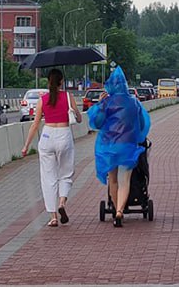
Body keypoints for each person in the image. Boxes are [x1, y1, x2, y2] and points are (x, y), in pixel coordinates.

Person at [87, 66, 151, 228]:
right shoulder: (134, 103)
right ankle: (120, 211)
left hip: (109, 147)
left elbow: (97, 122)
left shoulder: (107, 102)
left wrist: (100, 104)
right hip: (128, 147)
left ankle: (115, 208)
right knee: (125, 180)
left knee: (113, 180)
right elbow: (143, 124)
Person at [21, 68, 81, 228]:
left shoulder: (43, 99)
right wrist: (75, 113)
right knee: (66, 173)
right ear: (62, 81)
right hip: (64, 135)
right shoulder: (69, 97)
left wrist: (26, 146)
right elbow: (79, 118)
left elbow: (35, 125)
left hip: (47, 136)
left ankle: (53, 216)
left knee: (48, 177)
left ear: (48, 82)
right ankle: (62, 202)